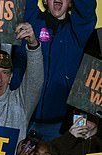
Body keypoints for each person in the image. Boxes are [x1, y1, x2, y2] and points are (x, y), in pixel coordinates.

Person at [11, 0, 96, 141]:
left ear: (70, 3)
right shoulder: (30, 22)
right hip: (21, 117)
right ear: (44, 0)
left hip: (59, 125)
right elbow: (23, 4)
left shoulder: (77, 32)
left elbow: (86, 10)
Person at [0, 29, 43, 143]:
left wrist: (33, 46)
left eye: (4, 73)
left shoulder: (19, 103)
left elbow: (35, 80)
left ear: (11, 77)